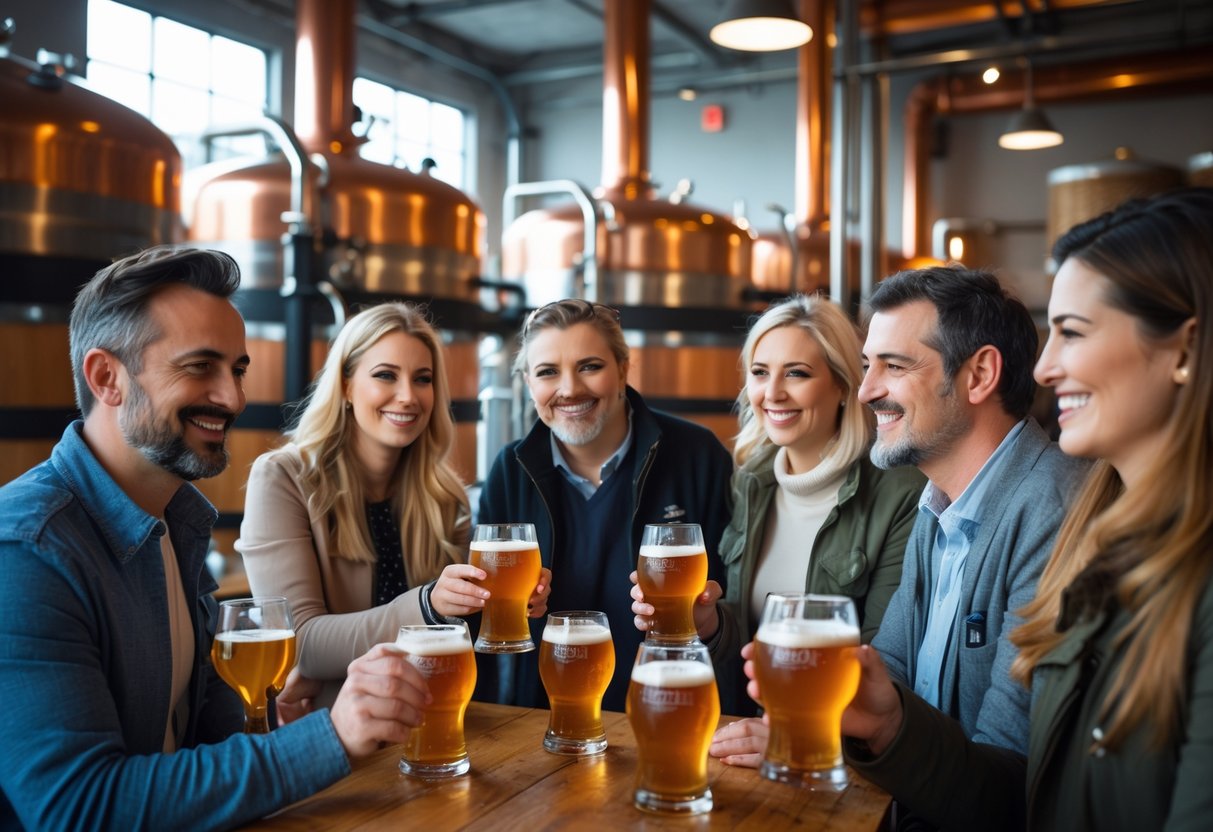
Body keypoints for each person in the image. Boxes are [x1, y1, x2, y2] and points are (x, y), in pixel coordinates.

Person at [0, 247, 433, 830]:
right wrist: (328, 739)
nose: (232, 398)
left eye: (237, 369)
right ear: (107, 378)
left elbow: (205, 731)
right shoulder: (28, 550)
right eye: (199, 366)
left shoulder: (176, 522)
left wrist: (276, 728)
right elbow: (80, 807)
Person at [834, 189, 1213, 831]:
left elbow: (1015, 776)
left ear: (1183, 350)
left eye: (1073, 332)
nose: (1043, 368)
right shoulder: (944, 508)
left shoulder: (1065, 515)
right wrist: (875, 725)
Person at [712, 266, 1088, 780]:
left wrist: (874, 734)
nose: (866, 391)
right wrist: (808, 735)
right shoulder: (938, 504)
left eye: (893, 365)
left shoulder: (1054, 513)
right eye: (868, 365)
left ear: (979, 375)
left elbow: (1014, 777)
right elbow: (888, 678)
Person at [237, 302, 550, 711]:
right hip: (340, 737)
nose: (407, 396)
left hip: (439, 721)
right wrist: (427, 606)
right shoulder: (283, 477)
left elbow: (459, 632)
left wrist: (503, 600)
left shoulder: (443, 495)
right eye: (386, 375)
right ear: (346, 385)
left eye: (423, 379)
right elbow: (302, 644)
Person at [649, 295, 924, 716]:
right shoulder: (750, 480)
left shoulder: (899, 494)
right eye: (760, 373)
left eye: (796, 373)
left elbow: (880, 664)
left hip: (831, 746)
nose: (772, 393)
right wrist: (708, 624)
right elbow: (747, 635)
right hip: (748, 734)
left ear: (843, 386)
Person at [477, 298, 733, 711]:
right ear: (528, 384)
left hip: (671, 715)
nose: (569, 389)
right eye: (547, 372)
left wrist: (710, 615)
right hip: (541, 723)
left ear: (623, 370)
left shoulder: (697, 455)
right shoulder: (510, 469)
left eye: (589, 366)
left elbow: (729, 610)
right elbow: (484, 621)